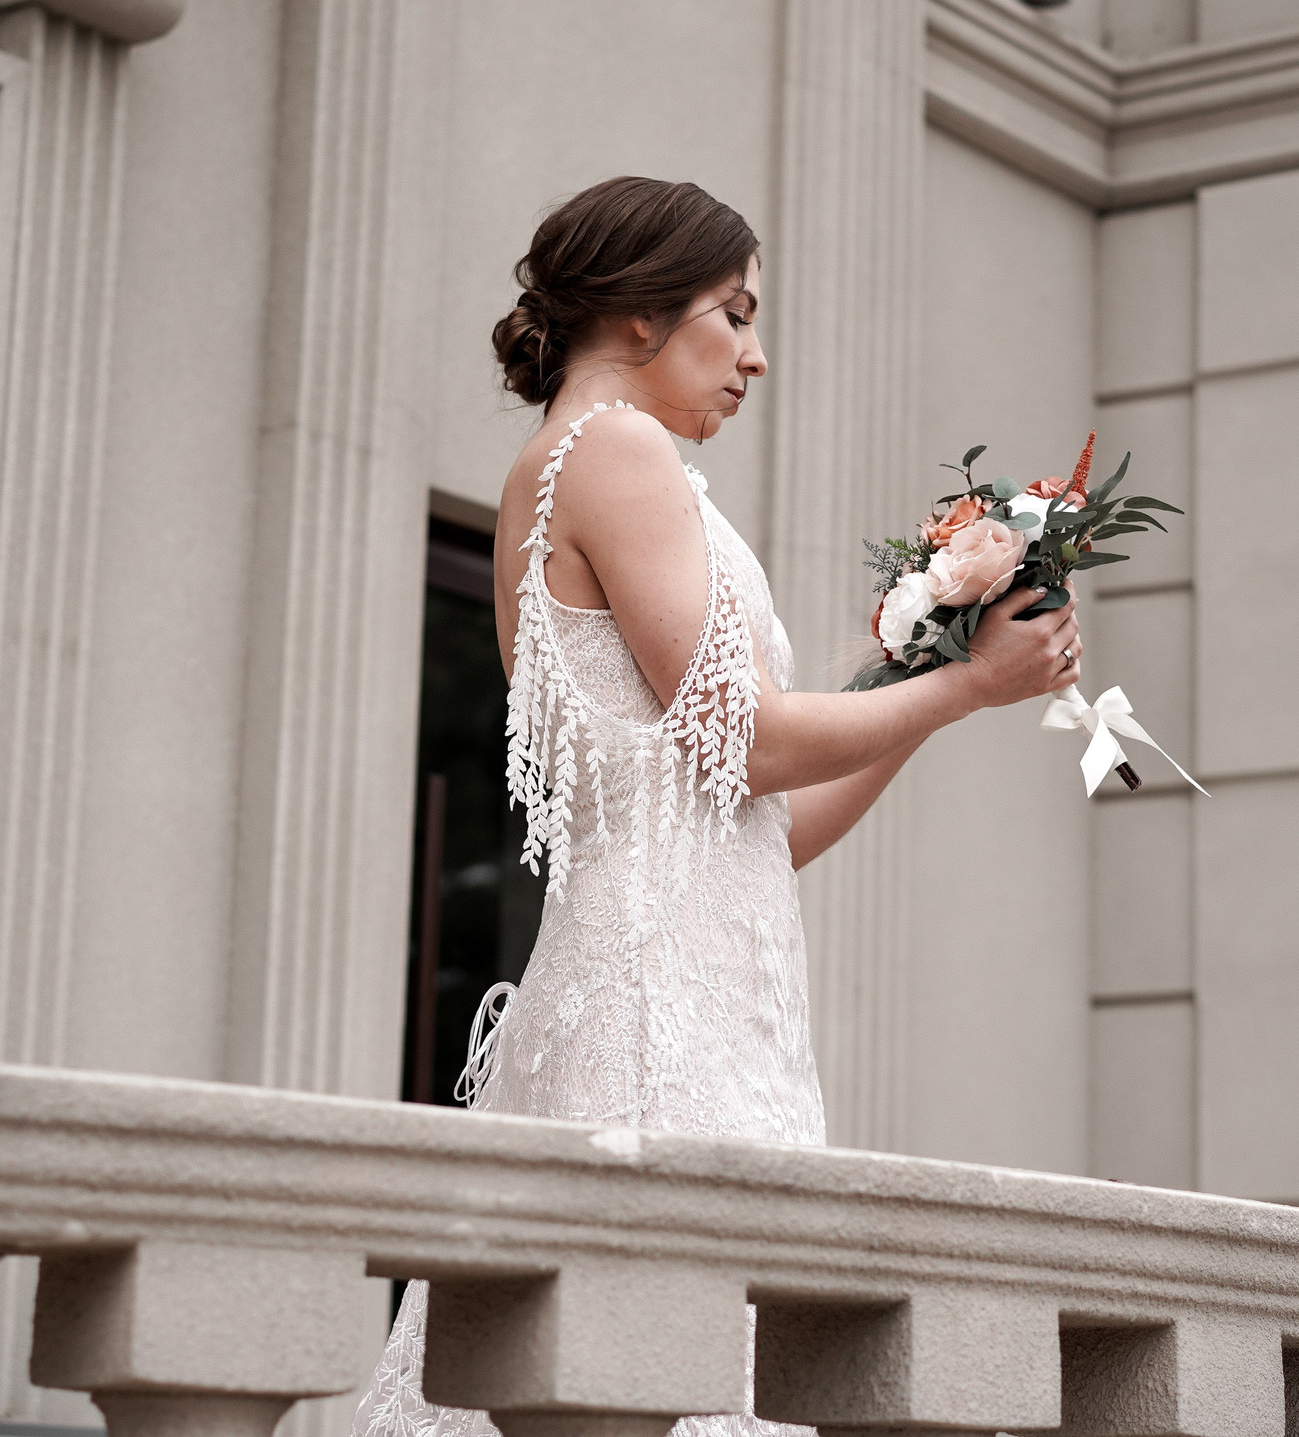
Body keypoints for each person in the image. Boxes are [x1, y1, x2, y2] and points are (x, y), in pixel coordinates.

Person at [352, 177, 1081, 1437]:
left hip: (700, 990)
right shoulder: (618, 450)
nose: (755, 355)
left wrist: (926, 684)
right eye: (731, 313)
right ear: (639, 317)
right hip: (656, 1022)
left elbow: (758, 829)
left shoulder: (570, 468)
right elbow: (742, 742)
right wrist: (966, 688)